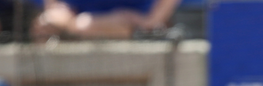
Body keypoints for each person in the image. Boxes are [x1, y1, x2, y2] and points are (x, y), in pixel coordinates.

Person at [32, 0, 178, 40]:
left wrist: (151, 21)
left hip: (130, 23)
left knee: (88, 25)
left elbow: (151, 23)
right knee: (45, 24)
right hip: (73, 20)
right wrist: (66, 20)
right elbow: (54, 10)